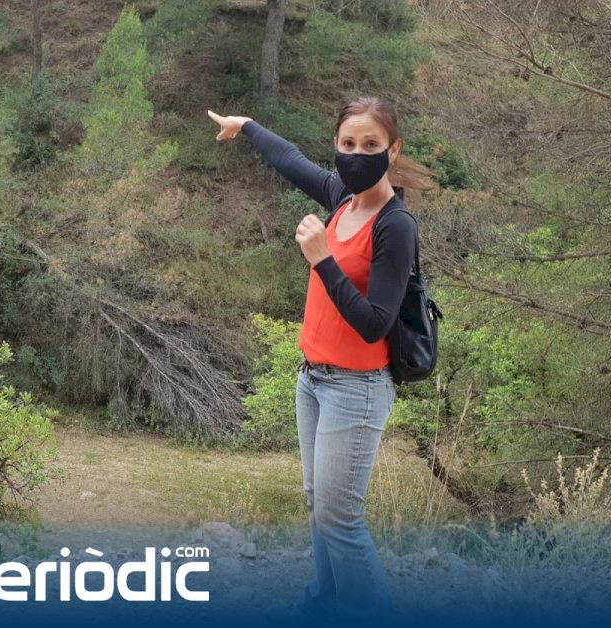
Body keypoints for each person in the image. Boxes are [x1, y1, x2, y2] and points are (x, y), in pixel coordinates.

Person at [208, 97, 433, 620]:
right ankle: (324, 602)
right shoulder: (342, 199)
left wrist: (323, 260)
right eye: (347, 144)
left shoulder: (395, 225)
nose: (357, 154)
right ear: (336, 145)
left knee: (341, 520)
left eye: (371, 145)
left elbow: (375, 323)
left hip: (357, 386)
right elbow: (290, 160)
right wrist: (246, 126)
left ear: (393, 150)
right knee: (319, 505)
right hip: (313, 379)